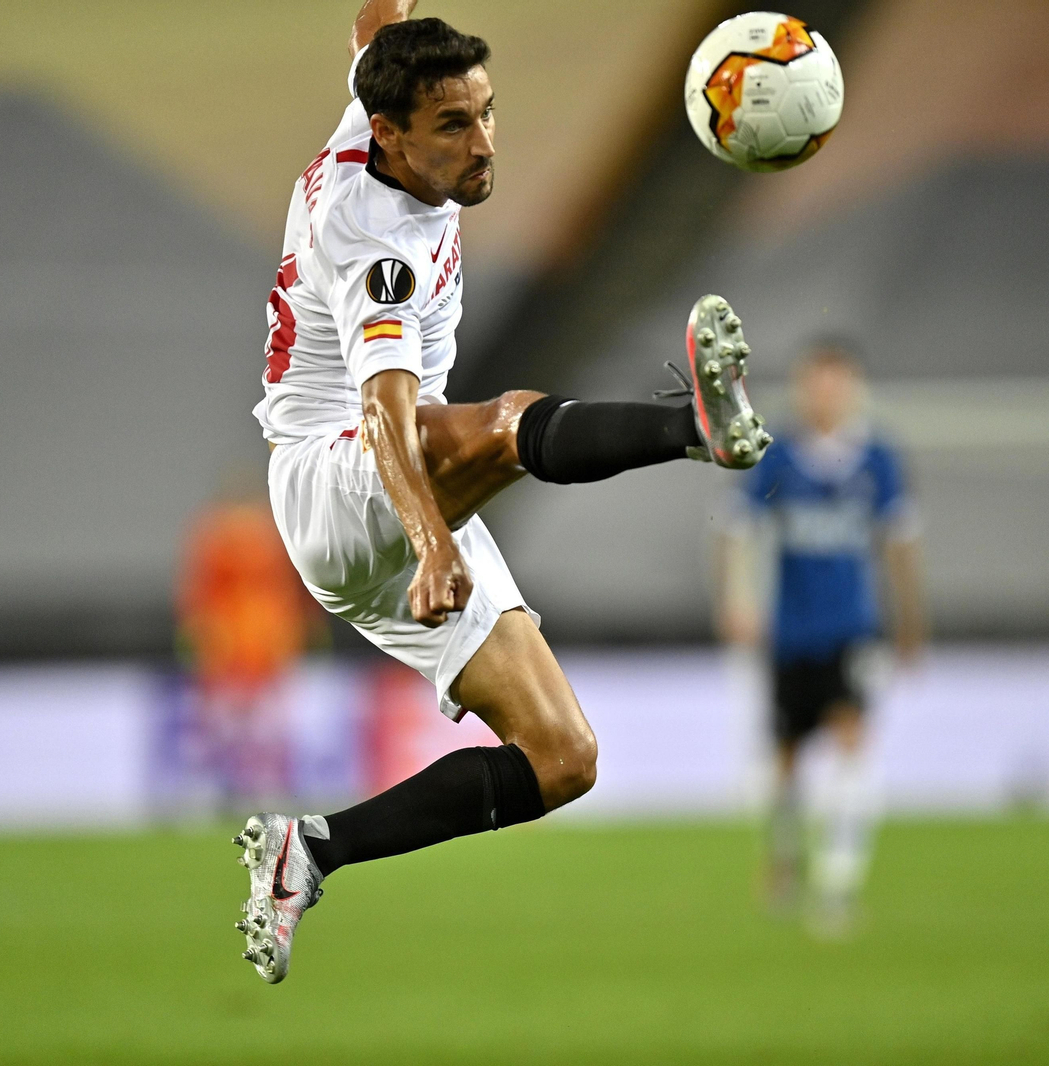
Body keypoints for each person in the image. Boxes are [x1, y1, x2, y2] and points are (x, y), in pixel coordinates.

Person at [234, 1, 773, 983]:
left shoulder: (375, 104)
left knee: (562, 755)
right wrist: (431, 541)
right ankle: (696, 427)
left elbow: (376, 19)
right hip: (340, 483)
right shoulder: (375, 246)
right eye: (455, 126)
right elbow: (391, 413)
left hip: (397, 501)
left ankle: (309, 849)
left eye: (487, 113)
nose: (483, 143)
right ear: (392, 134)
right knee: (501, 422)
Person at [717, 338, 924, 931]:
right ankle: (785, 858)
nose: (825, 394)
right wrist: (739, 602)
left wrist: (910, 626)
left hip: (853, 629)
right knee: (786, 760)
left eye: (836, 382)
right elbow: (734, 531)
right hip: (789, 634)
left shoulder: (878, 458)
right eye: (816, 382)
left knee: (852, 739)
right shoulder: (776, 457)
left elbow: (901, 544)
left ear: (852, 387)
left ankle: (837, 880)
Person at [176, 466, 323, 804]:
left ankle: (258, 785)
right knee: (229, 720)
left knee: (259, 721)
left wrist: (299, 625)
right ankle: (217, 785)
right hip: (237, 639)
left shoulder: (248, 530)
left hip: (261, 639)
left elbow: (290, 584)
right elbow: (203, 588)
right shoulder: (223, 531)